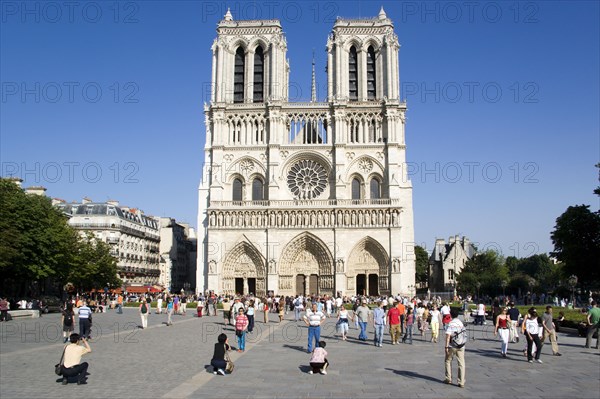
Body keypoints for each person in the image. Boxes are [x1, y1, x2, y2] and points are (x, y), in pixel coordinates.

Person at [444, 308, 466, 388]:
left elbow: (448, 336)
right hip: (461, 345)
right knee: (461, 363)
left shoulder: (451, 323)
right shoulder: (461, 323)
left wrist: (446, 346)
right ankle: (461, 382)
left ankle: (448, 378)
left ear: (451, 315)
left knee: (448, 361)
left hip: (452, 345)